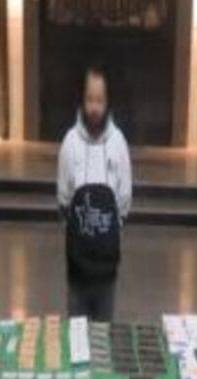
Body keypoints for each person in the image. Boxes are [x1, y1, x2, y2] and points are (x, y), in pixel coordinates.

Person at [57, 64, 132, 321]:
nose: (94, 107)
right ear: (82, 99)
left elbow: (124, 200)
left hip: (106, 268)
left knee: (103, 333)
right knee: (76, 332)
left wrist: (106, 236)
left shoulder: (118, 143)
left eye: (99, 100)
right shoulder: (70, 142)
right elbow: (63, 199)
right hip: (77, 267)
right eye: (90, 99)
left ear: (108, 101)